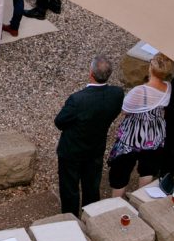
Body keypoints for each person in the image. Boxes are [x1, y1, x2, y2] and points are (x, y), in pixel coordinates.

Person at [54, 56, 125, 215]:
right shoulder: (117, 93)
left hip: (72, 151)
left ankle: (71, 219)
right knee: (92, 187)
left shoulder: (77, 99)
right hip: (96, 148)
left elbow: (59, 122)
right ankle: (91, 217)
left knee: (69, 188)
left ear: (91, 73)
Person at [108, 53, 174, 197]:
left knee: (121, 171)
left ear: (151, 68)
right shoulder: (168, 88)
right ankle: (142, 199)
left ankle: (116, 203)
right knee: (148, 169)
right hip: (155, 134)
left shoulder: (139, 91)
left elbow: (125, 111)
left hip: (133, 136)